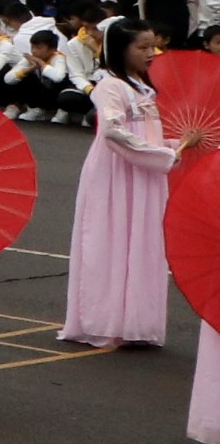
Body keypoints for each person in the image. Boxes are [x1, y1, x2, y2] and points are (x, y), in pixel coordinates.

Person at [58, 19, 178, 348]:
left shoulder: (145, 88)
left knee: (142, 242)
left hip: (145, 171)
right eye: (141, 47)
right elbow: (113, 131)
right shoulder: (111, 85)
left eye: (152, 46)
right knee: (110, 240)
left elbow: (148, 135)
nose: (150, 53)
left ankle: (135, 321)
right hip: (116, 172)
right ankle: (104, 320)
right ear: (120, 50)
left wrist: (177, 144)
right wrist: (163, 153)